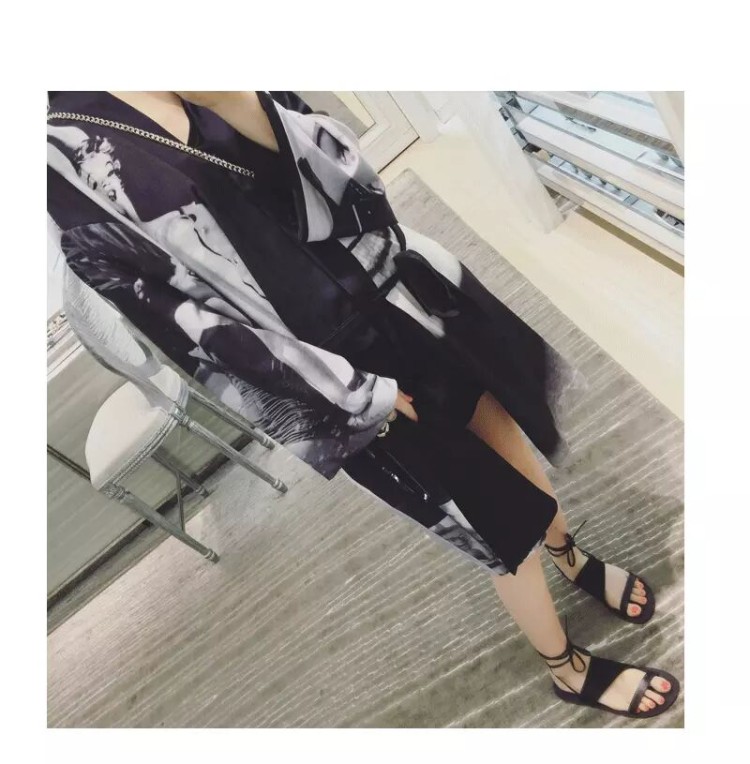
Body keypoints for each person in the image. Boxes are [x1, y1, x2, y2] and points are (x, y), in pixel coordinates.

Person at [47, 91, 679, 720]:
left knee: (504, 429)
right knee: (495, 521)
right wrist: (354, 394)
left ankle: (570, 554)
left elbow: (359, 184)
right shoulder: (60, 156)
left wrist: (240, 105)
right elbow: (193, 335)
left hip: (407, 297)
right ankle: (565, 668)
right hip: (338, 372)